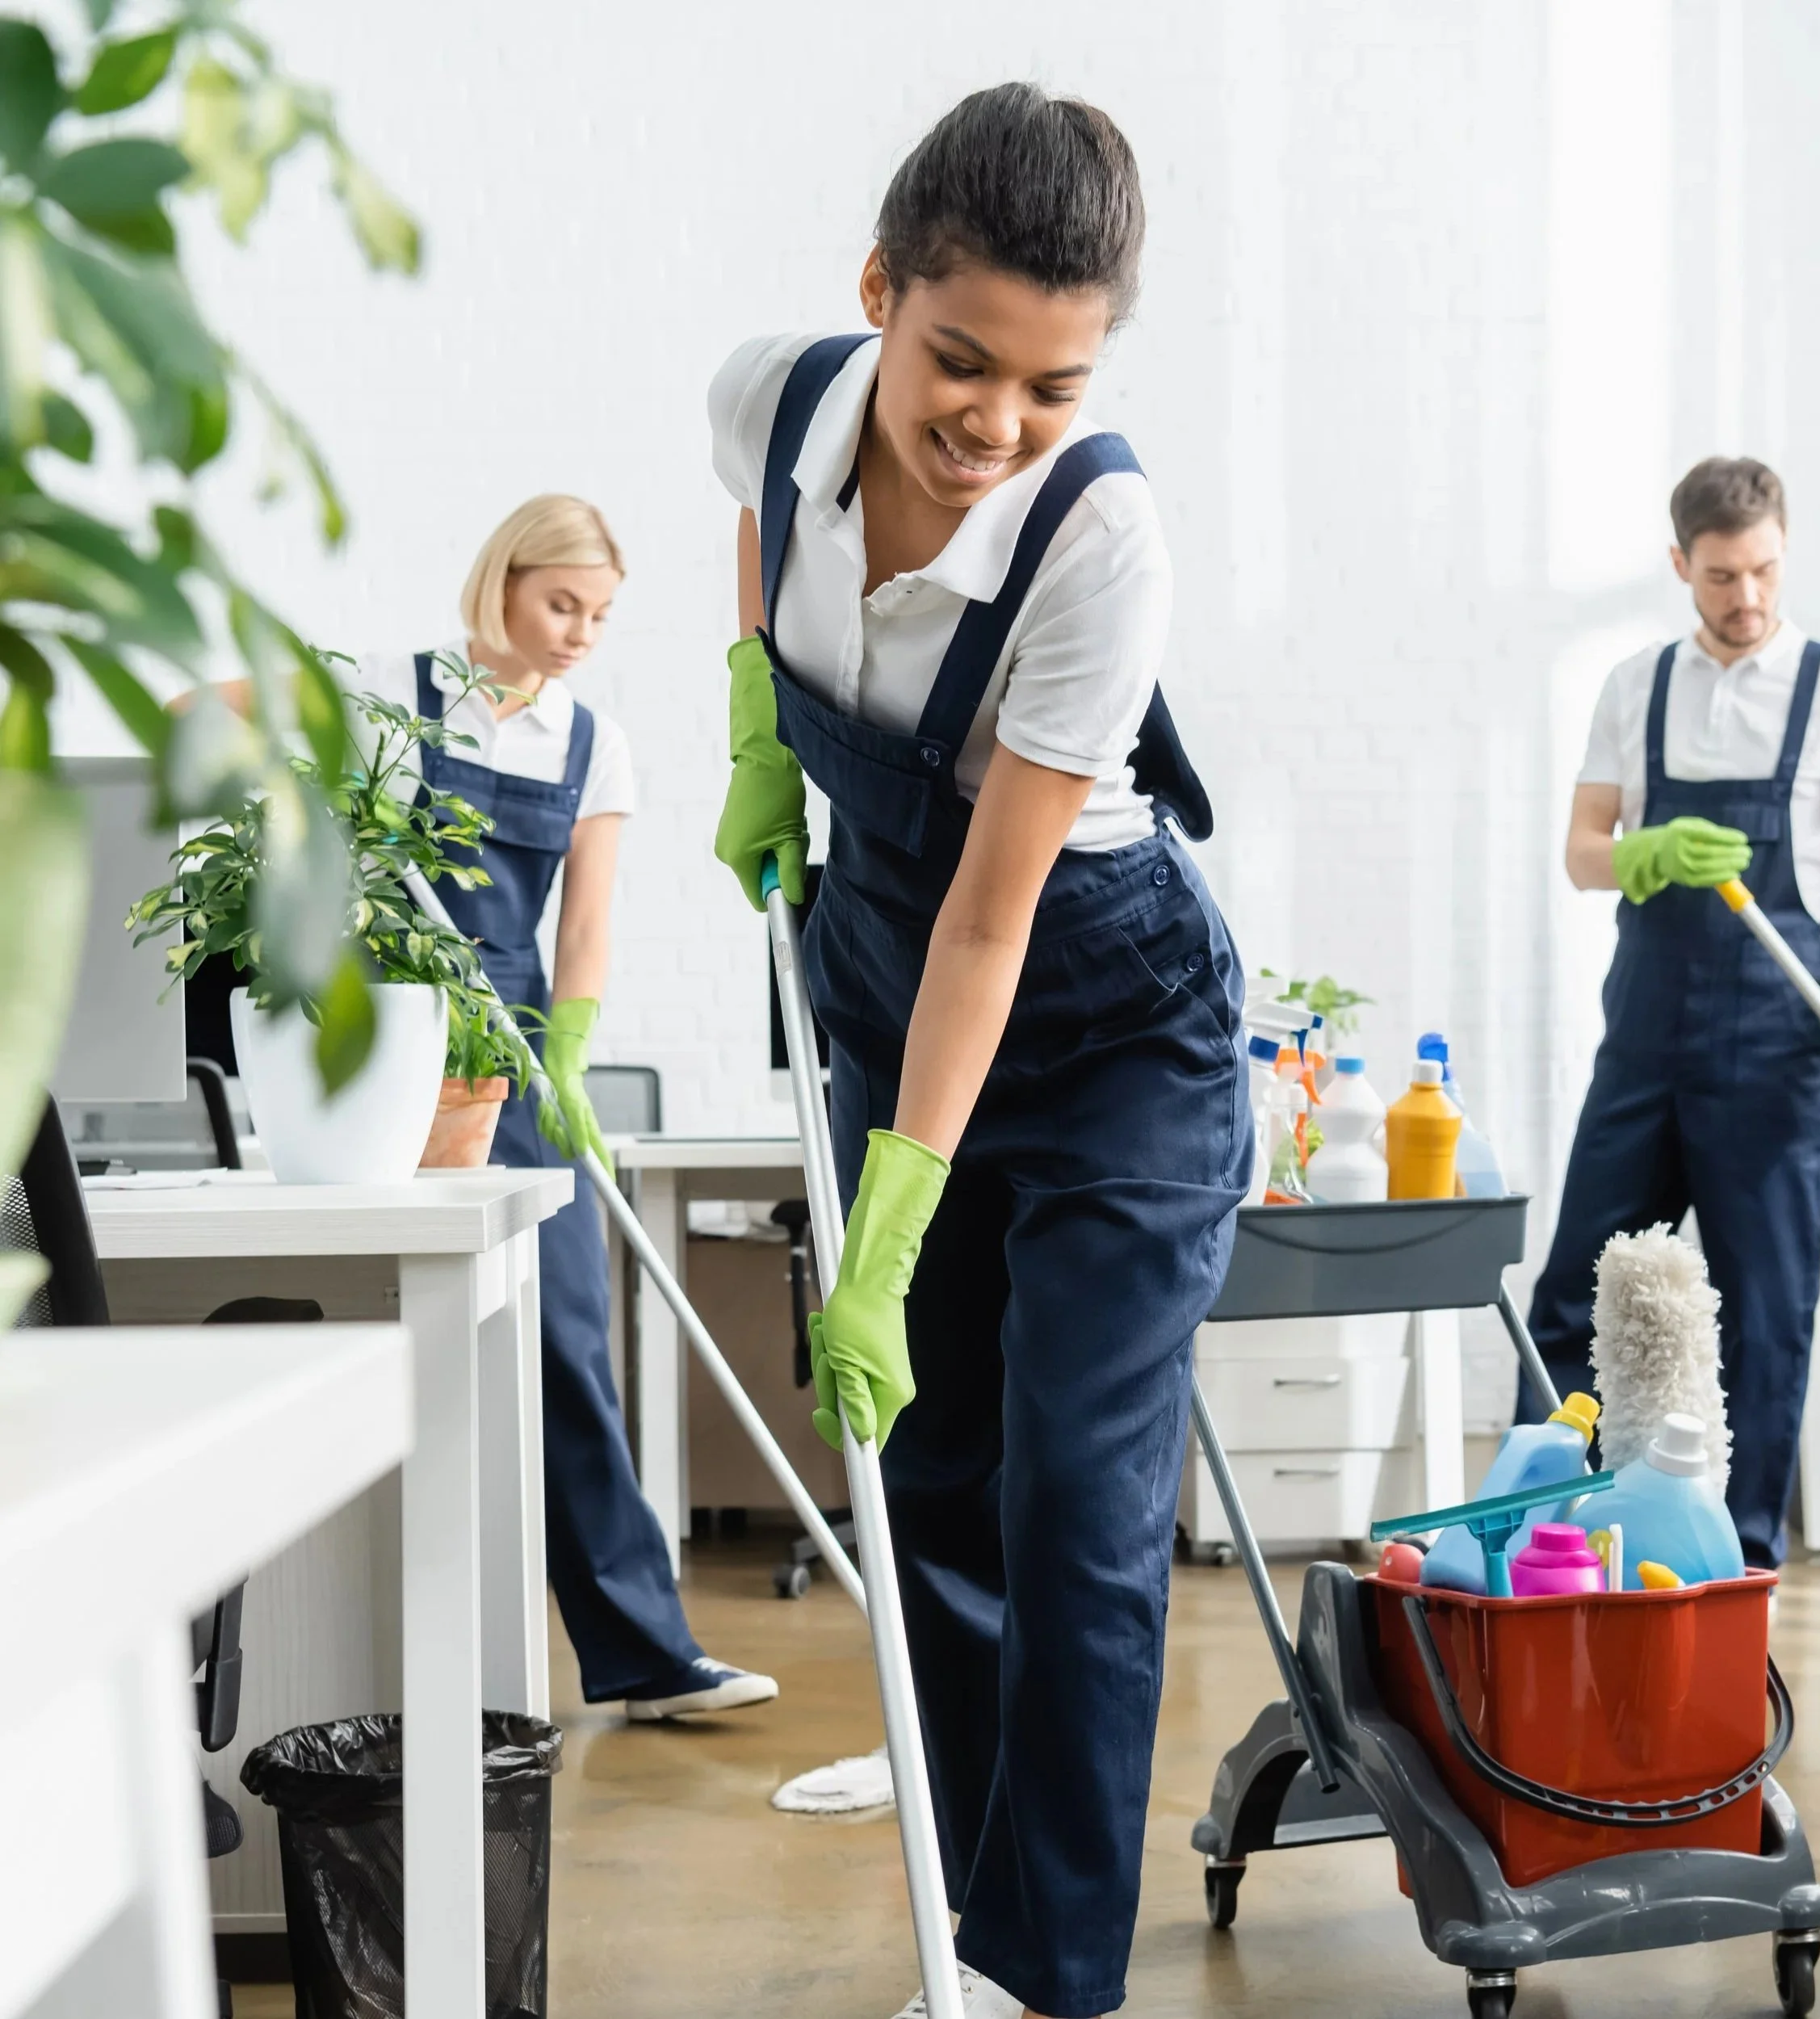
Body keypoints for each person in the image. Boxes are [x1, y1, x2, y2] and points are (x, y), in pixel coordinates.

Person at [708, 86, 1248, 2019]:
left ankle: (1043, 1969)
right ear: (877, 293)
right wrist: (753, 711)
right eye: (957, 360)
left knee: (1071, 1502)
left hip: (1106, 1031)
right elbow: (754, 526)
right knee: (927, 1469)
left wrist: (883, 1229)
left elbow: (993, 916)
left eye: (1050, 380)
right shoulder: (770, 394)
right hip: (883, 968)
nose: (993, 424)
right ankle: (961, 1828)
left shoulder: (1099, 541)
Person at [349, 496, 777, 1721]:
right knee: (386, 1323)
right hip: (383, 1035)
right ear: (503, 581)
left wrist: (570, 1058)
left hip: (513, 1051)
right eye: (561, 604)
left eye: (600, 614)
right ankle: (375, 1653)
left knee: (566, 1342)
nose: (582, 632)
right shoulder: (392, 691)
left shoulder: (592, 744)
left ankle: (646, 1656)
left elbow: (584, 927)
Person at [1520, 457, 1820, 1568]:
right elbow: (1582, 851)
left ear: (1784, 549)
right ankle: (1543, 1532)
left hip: (1772, 1043)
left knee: (1765, 1309)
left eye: (1764, 570)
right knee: (1577, 1285)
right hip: (1645, 1035)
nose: (1747, 597)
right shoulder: (1634, 688)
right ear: (1679, 566)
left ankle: (1732, 1562)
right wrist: (1643, 853)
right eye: (1721, 576)